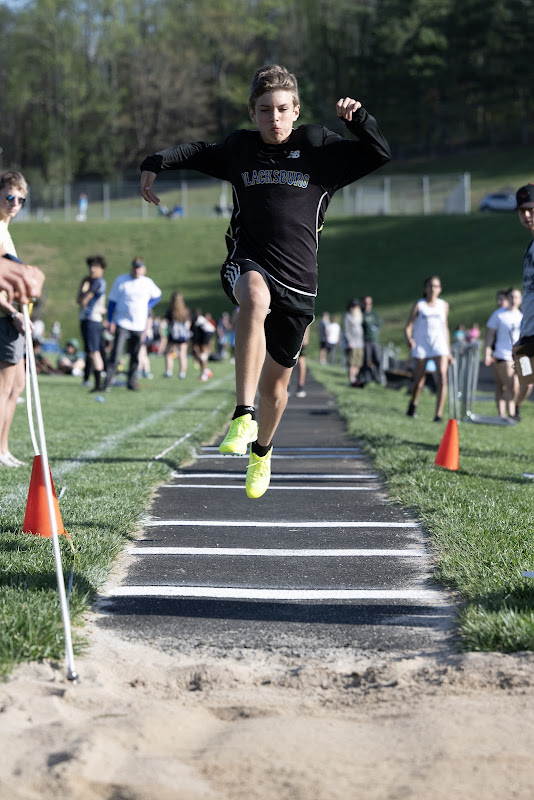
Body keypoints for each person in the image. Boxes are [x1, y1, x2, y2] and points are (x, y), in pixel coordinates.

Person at [140, 63, 390, 498]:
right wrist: (153, 163)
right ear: (252, 113)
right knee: (254, 298)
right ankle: (242, 414)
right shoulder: (240, 149)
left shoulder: (318, 146)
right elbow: (198, 152)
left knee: (276, 388)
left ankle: (262, 451)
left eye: (282, 109)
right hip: (248, 260)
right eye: (264, 110)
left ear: (296, 111)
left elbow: (378, 153)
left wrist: (360, 120)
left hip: (300, 282)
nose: (274, 118)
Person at [0, 170, 39, 468]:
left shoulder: (5, 229)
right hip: (6, 318)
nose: (15, 204)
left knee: (16, 388)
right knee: (4, 389)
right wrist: (13, 313)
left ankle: (4, 449)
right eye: (9, 197)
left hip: (14, 317)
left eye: (20, 199)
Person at [104, 258, 162, 392]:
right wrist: (110, 320)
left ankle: (131, 382)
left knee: (135, 354)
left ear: (144, 269)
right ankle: (108, 381)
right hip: (122, 321)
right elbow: (112, 301)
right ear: (131, 268)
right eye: (135, 267)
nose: (137, 270)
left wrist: (148, 306)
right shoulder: (121, 280)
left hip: (139, 324)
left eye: (139, 267)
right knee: (116, 352)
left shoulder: (147, 283)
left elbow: (158, 295)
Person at [405, 275, 452, 422]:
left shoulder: (443, 305)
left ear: (440, 289)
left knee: (442, 377)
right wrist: (409, 338)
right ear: (425, 288)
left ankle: (438, 414)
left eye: (436, 286)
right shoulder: (419, 305)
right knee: (419, 380)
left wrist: (448, 351)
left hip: (439, 344)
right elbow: (409, 326)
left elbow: (445, 327)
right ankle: (413, 403)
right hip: (422, 344)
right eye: (430, 286)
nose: (433, 289)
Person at [484, 287, 522, 421]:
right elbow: (489, 335)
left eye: (517, 297)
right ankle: (508, 414)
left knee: (514, 385)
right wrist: (487, 352)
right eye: (511, 297)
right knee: (509, 385)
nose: (514, 300)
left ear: (520, 299)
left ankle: (508, 412)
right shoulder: (499, 314)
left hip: (520, 355)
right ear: (507, 298)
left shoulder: (522, 316)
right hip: (502, 354)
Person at [76, 254, 107, 392]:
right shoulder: (90, 282)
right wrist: (83, 285)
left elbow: (83, 301)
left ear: (102, 269)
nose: (92, 269)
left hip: (92, 320)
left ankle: (99, 385)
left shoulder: (97, 282)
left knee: (94, 352)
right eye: (91, 266)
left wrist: (84, 287)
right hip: (86, 319)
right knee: (90, 351)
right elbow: (78, 299)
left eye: (96, 266)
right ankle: (91, 381)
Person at [162, 292, 192, 378]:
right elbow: (189, 323)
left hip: (173, 335)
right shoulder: (186, 311)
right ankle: (182, 373)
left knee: (169, 353)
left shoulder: (171, 311)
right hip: (183, 336)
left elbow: (165, 322)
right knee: (182, 354)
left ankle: (169, 371)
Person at [361, 295, 383, 384]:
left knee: (377, 359)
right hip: (365, 340)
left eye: (369, 303)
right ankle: (367, 377)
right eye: (366, 303)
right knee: (366, 359)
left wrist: (372, 325)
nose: (368, 305)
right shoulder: (362, 314)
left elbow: (379, 323)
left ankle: (378, 377)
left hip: (374, 340)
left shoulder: (374, 314)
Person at [342, 298, 364, 386]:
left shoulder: (359, 316)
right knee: (352, 362)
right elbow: (346, 330)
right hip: (352, 343)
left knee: (358, 362)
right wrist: (349, 341)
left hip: (360, 342)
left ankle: (355, 378)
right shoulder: (347, 316)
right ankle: (352, 379)